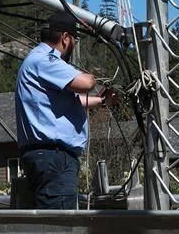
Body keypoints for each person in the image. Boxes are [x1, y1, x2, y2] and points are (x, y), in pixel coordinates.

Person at [13, 12, 113, 208]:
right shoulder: (45, 60)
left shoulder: (37, 62)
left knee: (53, 220)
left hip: (47, 158)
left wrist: (102, 101)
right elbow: (85, 83)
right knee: (60, 225)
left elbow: (71, 102)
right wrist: (93, 78)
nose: (74, 45)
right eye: (75, 39)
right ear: (65, 38)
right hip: (54, 159)